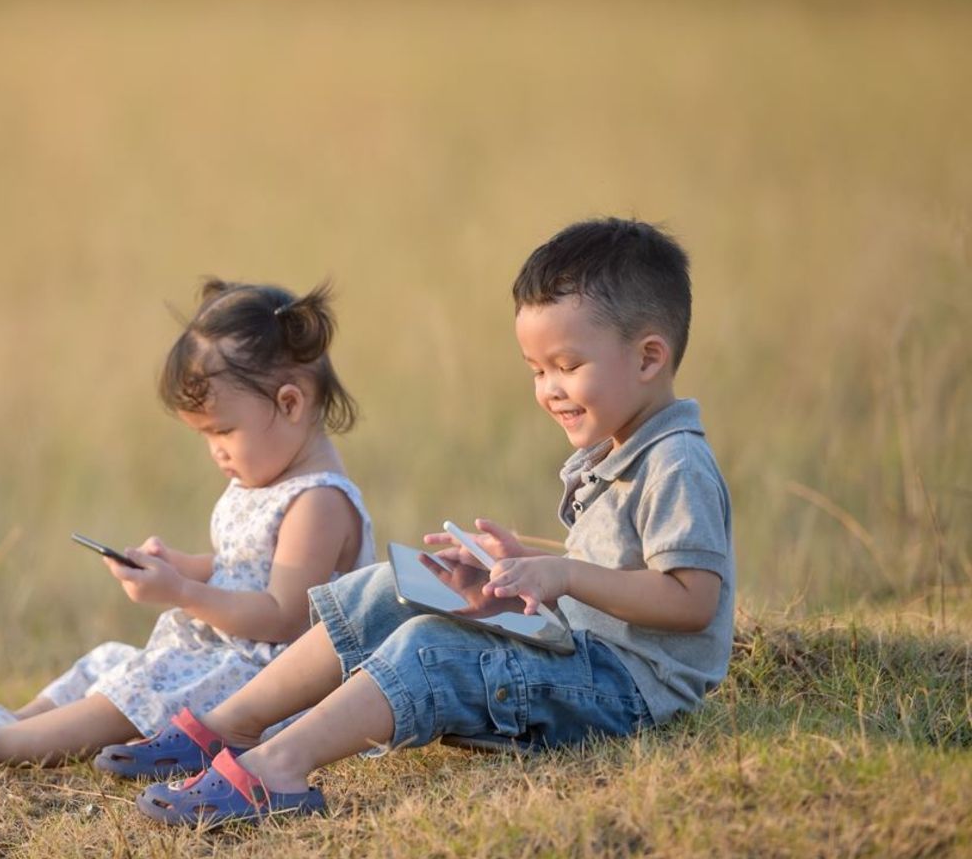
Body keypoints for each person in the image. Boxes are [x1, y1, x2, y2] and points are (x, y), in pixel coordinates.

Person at [125, 218, 735, 826]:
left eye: (567, 366)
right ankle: (227, 726)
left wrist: (563, 575)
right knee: (401, 583)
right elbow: (609, 575)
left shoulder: (675, 461)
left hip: (624, 693)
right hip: (581, 650)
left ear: (649, 357)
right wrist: (514, 570)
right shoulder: (618, 445)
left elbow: (691, 601)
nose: (549, 389)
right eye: (536, 370)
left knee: (430, 646)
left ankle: (275, 770)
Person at [0, 279, 376, 796]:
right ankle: (14, 718)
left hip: (264, 688)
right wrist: (182, 567)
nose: (215, 451)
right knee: (108, 663)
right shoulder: (268, 478)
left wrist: (182, 593)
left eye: (223, 431)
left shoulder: (318, 502)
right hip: (220, 653)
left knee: (136, 692)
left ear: (290, 404)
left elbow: (282, 616)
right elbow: (242, 564)